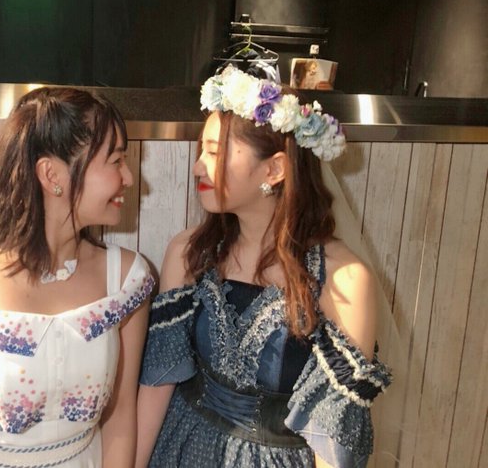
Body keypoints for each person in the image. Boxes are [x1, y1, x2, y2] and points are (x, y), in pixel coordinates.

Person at [136, 65, 391, 468]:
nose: (198, 166)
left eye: (215, 152)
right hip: (181, 448)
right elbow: (158, 383)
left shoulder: (342, 279)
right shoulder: (190, 253)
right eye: (202, 151)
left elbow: (334, 440)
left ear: (273, 170)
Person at [0, 87, 155, 467]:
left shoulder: (126, 280)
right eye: (116, 160)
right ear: (51, 174)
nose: (128, 177)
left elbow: (121, 417)